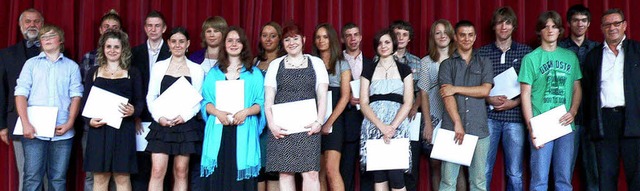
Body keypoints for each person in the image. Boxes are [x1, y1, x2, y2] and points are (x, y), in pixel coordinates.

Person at [14, 24, 84, 191]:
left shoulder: (72, 67)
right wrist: (25, 123)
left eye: (50, 36)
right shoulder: (30, 65)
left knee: (58, 179)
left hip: (62, 131)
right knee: (32, 178)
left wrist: (70, 123)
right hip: (34, 130)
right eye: (43, 37)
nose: (46, 40)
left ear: (61, 41)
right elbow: (21, 94)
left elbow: (76, 96)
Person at [519, 11, 582, 191]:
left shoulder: (570, 57)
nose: (550, 30)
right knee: (539, 180)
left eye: (554, 26)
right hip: (542, 122)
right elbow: (525, 94)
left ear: (560, 30)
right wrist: (531, 126)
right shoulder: (531, 58)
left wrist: (573, 111)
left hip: (565, 122)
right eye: (546, 26)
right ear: (540, 31)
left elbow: (577, 87)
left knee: (564, 180)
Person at [264, 23, 329, 191]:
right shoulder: (275, 65)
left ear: (304, 40)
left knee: (311, 173)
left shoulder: (316, 63)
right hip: (282, 127)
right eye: (287, 39)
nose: (291, 43)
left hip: (308, 127)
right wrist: (272, 125)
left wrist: (319, 121)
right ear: (282, 43)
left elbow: (322, 96)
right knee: (285, 173)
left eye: (295, 38)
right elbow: (268, 100)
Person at [200, 26, 265, 190]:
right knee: (219, 176)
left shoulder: (254, 73)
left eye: (238, 41)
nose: (234, 44)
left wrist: (246, 112)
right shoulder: (214, 73)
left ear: (243, 45)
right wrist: (217, 112)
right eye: (230, 40)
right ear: (224, 44)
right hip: (219, 131)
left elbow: (261, 103)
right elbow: (205, 102)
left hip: (244, 129)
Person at [583, 8, 640, 191]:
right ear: (601, 28)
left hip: (634, 119)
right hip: (605, 121)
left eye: (616, 23)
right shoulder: (593, 56)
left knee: (637, 176)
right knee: (606, 175)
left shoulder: (637, 51)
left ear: (624, 25)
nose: (612, 28)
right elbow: (588, 92)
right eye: (607, 24)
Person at [477, 7, 532, 191]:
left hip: (515, 119)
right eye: (500, 22)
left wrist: (514, 103)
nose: (504, 26)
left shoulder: (526, 52)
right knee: (483, 169)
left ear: (513, 26)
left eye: (508, 22)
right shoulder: (481, 53)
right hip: (488, 118)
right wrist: (488, 99)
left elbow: (532, 88)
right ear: (494, 26)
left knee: (515, 172)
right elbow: (474, 86)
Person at [82, 29, 143, 191]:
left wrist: (133, 111)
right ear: (103, 48)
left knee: (122, 177)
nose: (112, 50)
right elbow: (85, 104)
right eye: (108, 46)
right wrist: (89, 121)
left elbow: (140, 102)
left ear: (123, 49)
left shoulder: (133, 73)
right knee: (100, 178)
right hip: (99, 132)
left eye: (117, 47)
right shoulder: (93, 73)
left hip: (124, 131)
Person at [145, 27, 204, 191]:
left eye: (181, 41)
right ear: (169, 44)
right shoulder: (159, 67)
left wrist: (184, 116)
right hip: (161, 124)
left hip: (185, 125)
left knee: (181, 172)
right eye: (174, 41)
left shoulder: (196, 69)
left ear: (188, 44)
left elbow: (198, 100)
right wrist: (159, 117)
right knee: (157, 171)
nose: (177, 45)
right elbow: (151, 96)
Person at [438, 20, 493, 191]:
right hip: (452, 129)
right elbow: (447, 96)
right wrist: (457, 122)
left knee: (478, 182)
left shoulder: (485, 62)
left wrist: (455, 88)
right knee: (447, 181)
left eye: (470, 35)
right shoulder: (447, 64)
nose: (466, 39)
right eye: (462, 35)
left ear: (475, 37)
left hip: (479, 129)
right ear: (455, 37)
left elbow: (485, 91)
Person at [359, 28, 413, 191]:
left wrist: (392, 127)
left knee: (397, 175)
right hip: (374, 126)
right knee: (379, 175)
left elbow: (408, 101)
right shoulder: (368, 69)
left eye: (387, 42)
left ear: (394, 44)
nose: (383, 46)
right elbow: (363, 103)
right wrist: (381, 126)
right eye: (380, 43)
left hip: (398, 127)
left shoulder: (405, 70)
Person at [418, 19, 467, 191]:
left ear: (451, 35)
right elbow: (423, 93)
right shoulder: (425, 62)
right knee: (436, 164)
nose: (442, 36)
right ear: (433, 37)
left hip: (455, 116)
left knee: (456, 165)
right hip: (434, 115)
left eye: (445, 32)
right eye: (437, 32)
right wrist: (428, 124)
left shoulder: (460, 59)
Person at [0, 8, 44, 191]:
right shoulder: (6, 54)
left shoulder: (55, 51)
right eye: (28, 21)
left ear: (42, 25)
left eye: (36, 21)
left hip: (51, 121)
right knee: (26, 173)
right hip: (18, 121)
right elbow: (1, 90)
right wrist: (2, 124)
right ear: (20, 25)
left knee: (50, 174)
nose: (32, 25)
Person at [78, 10, 122, 191]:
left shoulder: (127, 61)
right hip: (93, 126)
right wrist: (88, 119)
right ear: (100, 30)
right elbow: (82, 94)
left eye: (115, 28)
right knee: (93, 174)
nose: (109, 30)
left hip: (118, 126)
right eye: (106, 27)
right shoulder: (89, 58)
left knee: (118, 174)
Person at [558, 5, 600, 191]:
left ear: (589, 23)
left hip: (592, 117)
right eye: (575, 20)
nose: (580, 24)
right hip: (565, 117)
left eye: (584, 20)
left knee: (594, 171)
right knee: (564, 171)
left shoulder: (598, 49)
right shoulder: (559, 48)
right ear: (568, 23)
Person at [129, 10, 171, 191]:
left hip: (166, 115)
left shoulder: (172, 51)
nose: (153, 29)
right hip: (141, 116)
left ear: (164, 28)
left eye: (157, 26)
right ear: (145, 28)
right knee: (141, 164)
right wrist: (135, 115)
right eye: (150, 26)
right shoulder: (133, 53)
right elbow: (129, 86)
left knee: (163, 165)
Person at [312, 23, 351, 191]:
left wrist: (329, 122)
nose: (321, 40)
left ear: (332, 39)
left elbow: (345, 96)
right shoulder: (311, 63)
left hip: (334, 120)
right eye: (318, 37)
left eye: (325, 37)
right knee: (317, 171)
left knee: (331, 169)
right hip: (313, 119)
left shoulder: (342, 63)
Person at [339, 22, 374, 191]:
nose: (353, 39)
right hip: (346, 119)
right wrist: (346, 99)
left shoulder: (372, 63)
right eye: (348, 35)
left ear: (360, 37)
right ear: (342, 39)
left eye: (356, 35)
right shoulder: (336, 62)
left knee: (369, 168)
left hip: (369, 120)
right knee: (346, 168)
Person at [389, 20, 422, 191]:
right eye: (397, 34)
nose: (400, 38)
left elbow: (421, 91)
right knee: (388, 164)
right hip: (388, 117)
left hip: (411, 118)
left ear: (409, 39)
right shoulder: (381, 58)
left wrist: (415, 106)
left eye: (404, 34)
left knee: (411, 163)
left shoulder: (417, 62)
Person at [254, 21, 284, 191]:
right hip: (258, 121)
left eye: (272, 36)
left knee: (275, 169)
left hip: (277, 119)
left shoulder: (284, 61)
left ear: (279, 39)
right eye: (264, 35)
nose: (268, 39)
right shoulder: (255, 61)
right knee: (259, 168)